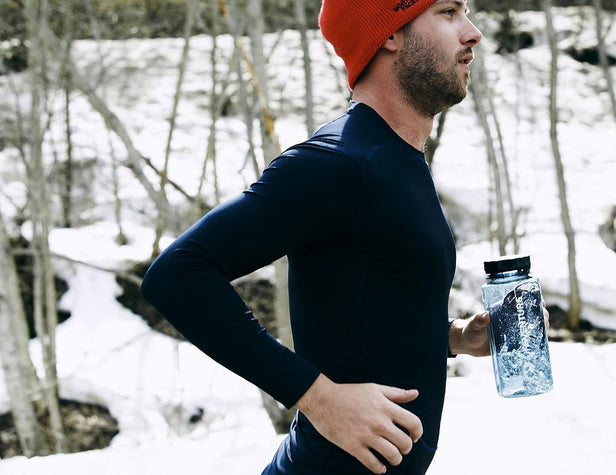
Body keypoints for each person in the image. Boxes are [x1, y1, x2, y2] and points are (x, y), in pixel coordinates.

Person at [142, 1, 526, 474]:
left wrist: (454, 337)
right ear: (389, 34)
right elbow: (176, 274)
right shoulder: (340, 161)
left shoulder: (395, 158)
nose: (473, 32)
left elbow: (364, 317)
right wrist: (316, 397)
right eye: (448, 12)